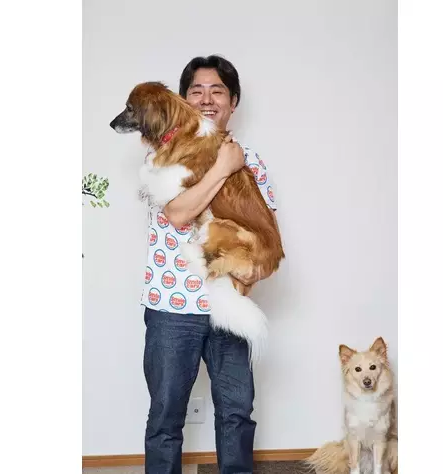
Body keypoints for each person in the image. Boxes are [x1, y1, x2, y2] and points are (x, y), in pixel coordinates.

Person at [140, 55, 278, 474]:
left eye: (217, 91)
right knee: (166, 418)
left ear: (232, 102)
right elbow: (179, 213)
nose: (206, 99)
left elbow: (265, 236)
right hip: (170, 305)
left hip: (228, 307)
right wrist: (222, 167)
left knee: (237, 413)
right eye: (196, 91)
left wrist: (253, 271)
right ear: (182, 100)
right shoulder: (163, 154)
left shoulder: (251, 160)